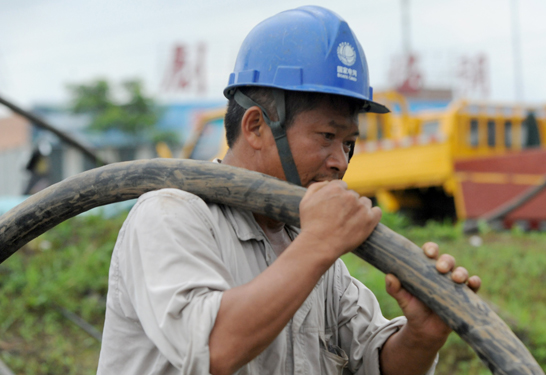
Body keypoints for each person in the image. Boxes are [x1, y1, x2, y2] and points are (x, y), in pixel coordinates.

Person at [97, 6, 481, 375]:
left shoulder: (310, 248)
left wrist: (421, 335)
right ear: (255, 127)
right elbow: (214, 349)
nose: (341, 161)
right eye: (327, 136)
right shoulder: (171, 215)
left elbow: (376, 364)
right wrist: (318, 244)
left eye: (348, 142)